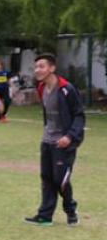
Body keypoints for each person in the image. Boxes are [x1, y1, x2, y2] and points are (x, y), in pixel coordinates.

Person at [24, 54, 85, 227]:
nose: (37, 70)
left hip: (64, 142)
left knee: (61, 180)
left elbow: (79, 116)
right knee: (47, 178)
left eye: (41, 66)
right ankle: (45, 216)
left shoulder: (66, 89)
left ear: (52, 68)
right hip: (47, 140)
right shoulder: (41, 87)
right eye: (36, 67)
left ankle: (71, 210)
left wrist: (69, 136)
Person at [0, 58, 12, 123]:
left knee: (7, 102)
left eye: (0, 65)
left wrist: (12, 88)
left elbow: (9, 81)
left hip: (5, 89)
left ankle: (3, 115)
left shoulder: (6, 72)